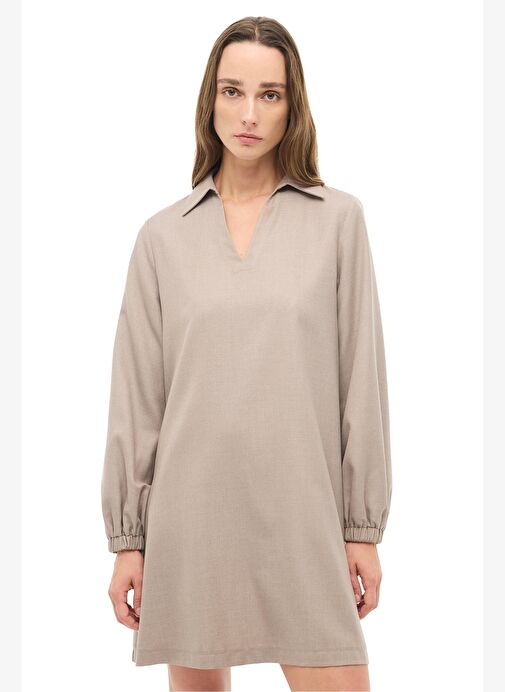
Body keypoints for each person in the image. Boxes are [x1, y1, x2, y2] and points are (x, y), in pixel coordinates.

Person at [101, 15, 392, 692]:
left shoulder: (337, 221)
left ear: (294, 106)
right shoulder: (162, 238)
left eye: (270, 94)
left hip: (302, 514)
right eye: (233, 91)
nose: (249, 114)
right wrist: (128, 542)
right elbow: (138, 400)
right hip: (191, 519)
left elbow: (362, 381)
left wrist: (361, 527)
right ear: (210, 100)